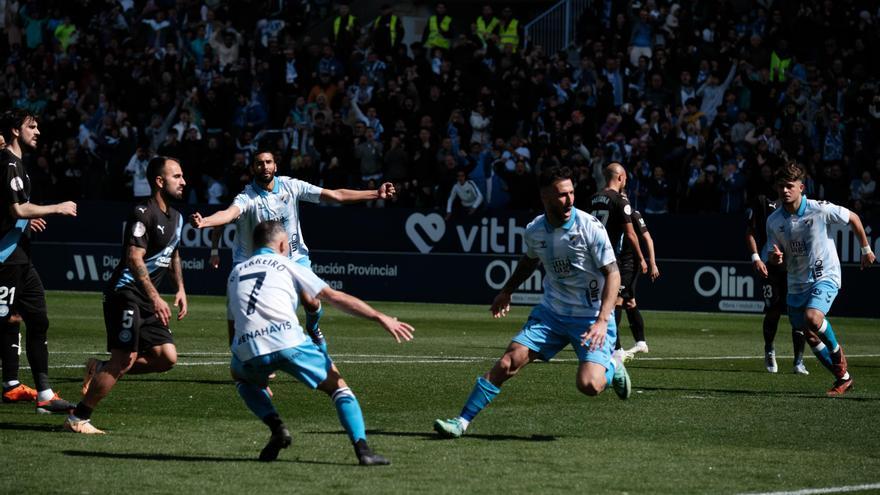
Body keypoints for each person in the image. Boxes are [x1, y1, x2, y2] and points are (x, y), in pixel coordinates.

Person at [433, 166, 632, 438]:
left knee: (589, 385)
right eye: (562, 195)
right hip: (552, 314)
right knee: (507, 363)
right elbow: (529, 261)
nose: (570, 200)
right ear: (545, 196)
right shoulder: (535, 230)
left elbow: (613, 273)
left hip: (590, 317)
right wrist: (507, 291)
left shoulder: (590, 227)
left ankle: (612, 366)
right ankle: (461, 422)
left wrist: (601, 320)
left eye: (572, 193)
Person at [228, 220, 414, 463]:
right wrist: (379, 317)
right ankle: (363, 450)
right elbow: (333, 297)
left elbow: (233, 324)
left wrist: (251, 368)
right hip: (287, 340)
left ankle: (276, 427)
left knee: (239, 376)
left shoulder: (235, 273)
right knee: (337, 386)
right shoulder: (288, 264)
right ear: (283, 244)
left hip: (247, 348)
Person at [191, 150, 395, 354]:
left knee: (312, 302)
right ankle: (251, 355)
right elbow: (226, 216)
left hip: (293, 257)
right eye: (259, 163)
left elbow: (336, 195)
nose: (265, 167)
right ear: (253, 168)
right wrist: (205, 224)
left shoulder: (292, 186)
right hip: (253, 262)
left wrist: (376, 193)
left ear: (275, 166)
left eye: (268, 162)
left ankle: (313, 328)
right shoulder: (246, 197)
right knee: (251, 312)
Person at [64, 156, 188, 433]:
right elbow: (134, 258)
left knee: (167, 358)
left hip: (146, 298)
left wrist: (180, 288)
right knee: (124, 360)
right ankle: (78, 418)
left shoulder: (177, 218)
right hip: (126, 294)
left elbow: (174, 253)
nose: (183, 181)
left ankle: (100, 368)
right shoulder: (142, 212)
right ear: (160, 181)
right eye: (177, 176)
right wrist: (156, 297)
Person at [766, 162, 876, 397]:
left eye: (789, 186)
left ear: (801, 187)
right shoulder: (774, 221)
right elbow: (775, 257)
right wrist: (774, 258)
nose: (784, 191)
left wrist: (866, 249)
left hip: (825, 274)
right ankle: (843, 378)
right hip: (796, 282)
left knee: (813, 318)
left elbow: (854, 217)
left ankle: (838, 357)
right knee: (808, 331)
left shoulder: (820, 209)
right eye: (781, 186)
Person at [0, 109, 78, 412]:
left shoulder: (18, 164)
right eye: (32, 126)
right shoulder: (9, 162)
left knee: (37, 319)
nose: (38, 131)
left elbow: (13, 210)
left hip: (20, 257)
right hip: (5, 260)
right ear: (16, 131)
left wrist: (22, 222)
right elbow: (18, 209)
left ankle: (44, 396)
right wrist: (55, 208)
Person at [745, 194, 808, 374]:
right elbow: (750, 231)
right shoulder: (764, 202)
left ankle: (798, 361)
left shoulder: (803, 204)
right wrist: (756, 258)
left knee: (798, 313)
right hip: (770, 266)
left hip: (795, 267)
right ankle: (770, 350)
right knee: (773, 310)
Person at [590, 163, 648, 349]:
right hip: (610, 258)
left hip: (591, 256)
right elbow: (630, 234)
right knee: (613, 301)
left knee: (598, 300)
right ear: (620, 178)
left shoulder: (592, 198)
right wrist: (641, 257)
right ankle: (614, 347)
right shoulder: (620, 201)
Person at [617, 207, 660, 358]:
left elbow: (648, 239)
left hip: (630, 264)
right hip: (616, 262)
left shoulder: (633, 214)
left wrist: (652, 263)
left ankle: (615, 348)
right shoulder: (612, 212)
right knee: (630, 303)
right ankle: (641, 343)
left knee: (617, 300)